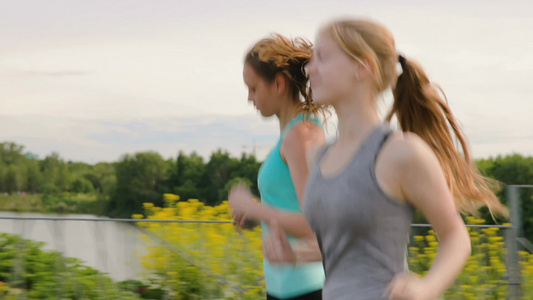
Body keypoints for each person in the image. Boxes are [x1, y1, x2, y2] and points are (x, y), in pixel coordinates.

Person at [262, 18, 507, 300]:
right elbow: (349, 250)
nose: (308, 68)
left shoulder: (401, 153)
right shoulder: (318, 156)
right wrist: (294, 256)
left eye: (322, 57)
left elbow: (455, 236)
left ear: (362, 67)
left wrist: (426, 287)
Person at [228, 33, 327, 300]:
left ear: (279, 84)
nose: (250, 98)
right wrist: (256, 211)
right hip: (286, 286)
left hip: (307, 286)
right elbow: (290, 203)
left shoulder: (301, 135)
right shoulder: (293, 135)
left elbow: (315, 224)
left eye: (254, 88)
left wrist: (255, 209)